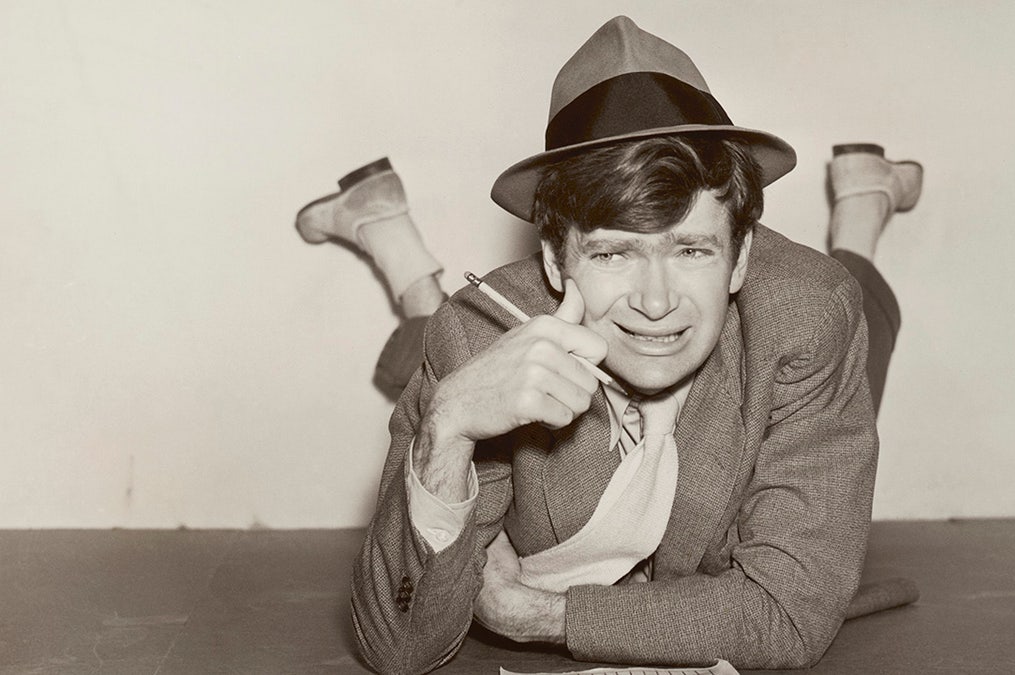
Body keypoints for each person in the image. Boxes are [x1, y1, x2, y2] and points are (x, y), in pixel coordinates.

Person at [299, 16, 922, 673]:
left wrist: (541, 613)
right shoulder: (475, 332)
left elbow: (786, 615)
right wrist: (446, 427)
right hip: (492, 325)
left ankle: (864, 205)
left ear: (738, 259)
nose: (656, 302)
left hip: (790, 326)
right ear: (555, 262)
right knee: (443, 350)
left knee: (857, 317)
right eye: (614, 252)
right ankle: (400, 256)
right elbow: (399, 649)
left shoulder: (805, 318)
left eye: (691, 248)